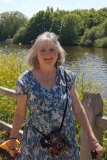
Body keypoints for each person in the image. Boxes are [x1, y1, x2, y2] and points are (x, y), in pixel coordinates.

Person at [8, 32, 104, 160]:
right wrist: (13, 139)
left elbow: (78, 108)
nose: (48, 54)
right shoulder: (25, 80)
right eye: (42, 50)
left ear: (58, 52)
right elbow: (20, 113)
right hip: (37, 142)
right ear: (36, 53)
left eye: (52, 49)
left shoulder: (67, 76)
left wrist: (93, 139)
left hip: (65, 142)